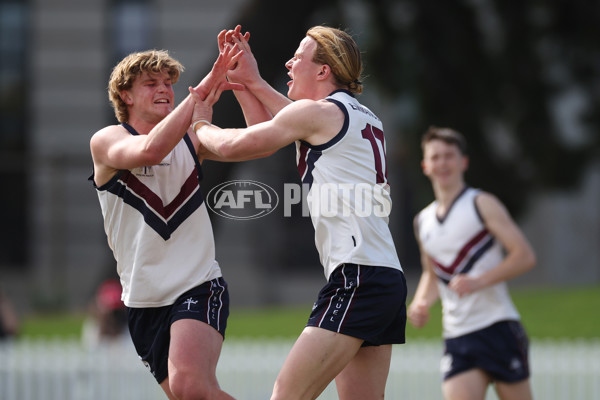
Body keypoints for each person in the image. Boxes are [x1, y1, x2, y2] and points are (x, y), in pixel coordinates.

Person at [189, 25, 407, 400]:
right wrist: (251, 83)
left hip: (358, 276)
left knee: (287, 394)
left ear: (323, 71)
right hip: (384, 276)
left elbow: (244, 144)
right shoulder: (360, 116)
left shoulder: (317, 115)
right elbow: (277, 127)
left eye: (299, 56)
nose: (289, 62)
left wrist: (199, 127)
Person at [89, 43, 250, 400]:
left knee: (189, 386)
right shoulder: (107, 140)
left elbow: (257, 142)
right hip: (143, 303)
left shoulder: (193, 139)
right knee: (195, 394)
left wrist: (248, 82)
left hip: (198, 285)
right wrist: (205, 89)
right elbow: (150, 151)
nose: (164, 89)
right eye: (151, 83)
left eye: (168, 82)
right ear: (124, 95)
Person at [407, 126, 536, 400]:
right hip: (457, 337)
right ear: (425, 166)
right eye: (436, 157)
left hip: (498, 327)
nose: (442, 163)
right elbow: (432, 275)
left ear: (463, 162)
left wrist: (479, 281)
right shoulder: (423, 221)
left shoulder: (481, 203)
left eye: (449, 156)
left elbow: (524, 256)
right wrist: (420, 303)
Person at [81, 279, 129, 348]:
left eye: (117, 313)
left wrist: (116, 334)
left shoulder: (129, 329)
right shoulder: (93, 327)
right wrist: (103, 329)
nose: (114, 319)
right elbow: (91, 349)